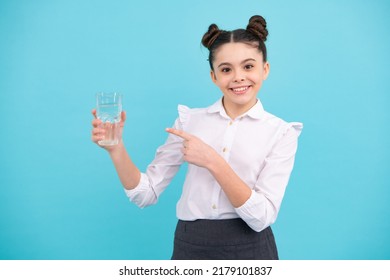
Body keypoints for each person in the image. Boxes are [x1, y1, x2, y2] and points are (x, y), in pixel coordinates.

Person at [91, 15, 303, 260]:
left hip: (251, 248)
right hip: (191, 246)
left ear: (264, 69)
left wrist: (213, 161)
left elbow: (261, 217)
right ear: (214, 76)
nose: (238, 77)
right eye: (226, 69)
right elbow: (145, 194)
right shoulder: (189, 121)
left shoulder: (281, 133)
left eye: (248, 66)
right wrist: (116, 149)